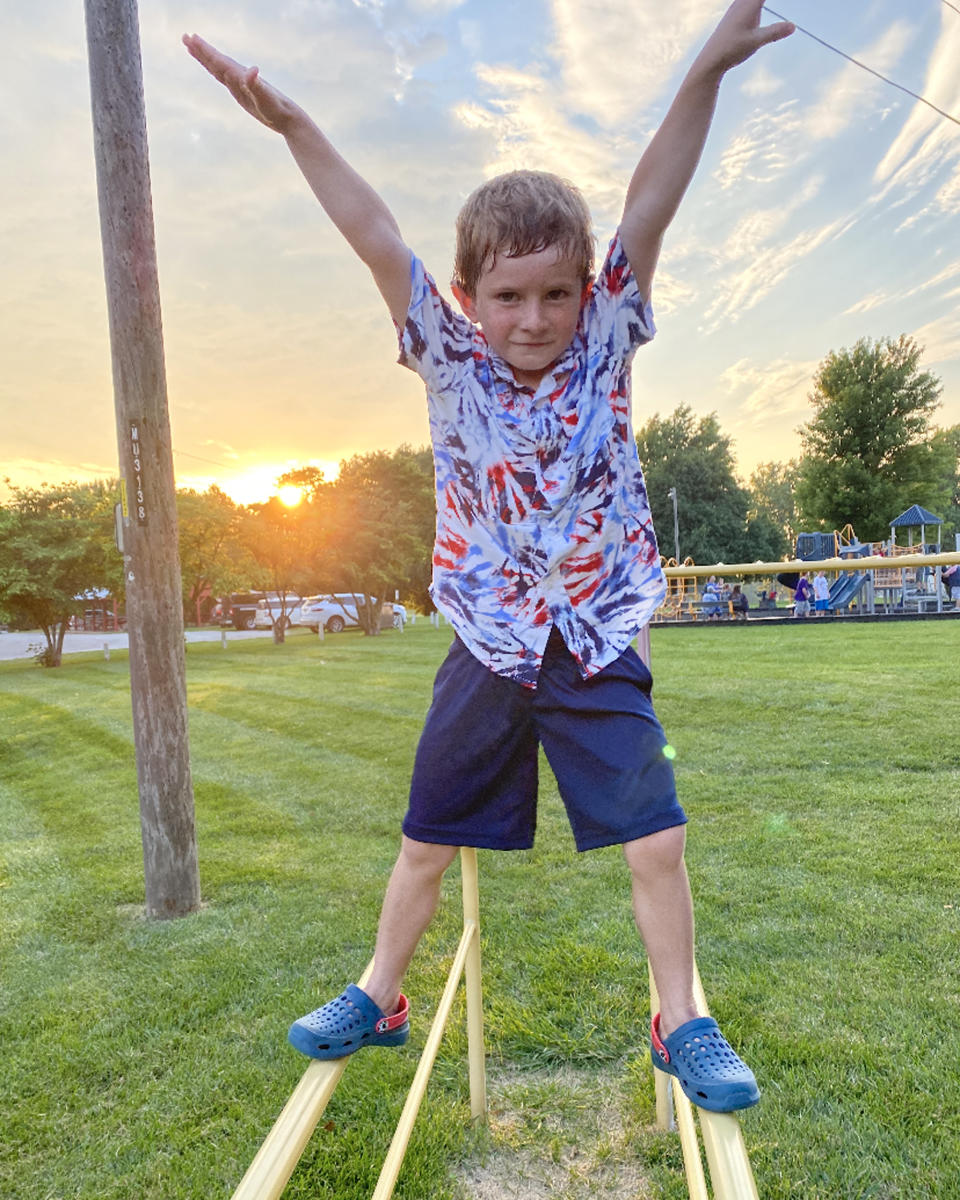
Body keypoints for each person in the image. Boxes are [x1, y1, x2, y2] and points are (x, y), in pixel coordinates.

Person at [184, 0, 794, 1115]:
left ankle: (682, 1018)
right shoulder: (449, 357)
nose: (534, 318)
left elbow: (655, 191)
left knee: (656, 840)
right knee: (424, 841)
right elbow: (371, 228)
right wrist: (294, 125)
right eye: (509, 296)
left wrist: (709, 64)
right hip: (489, 639)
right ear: (469, 301)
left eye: (556, 293)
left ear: (586, 293)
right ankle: (381, 994)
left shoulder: (607, 339)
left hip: (598, 638)